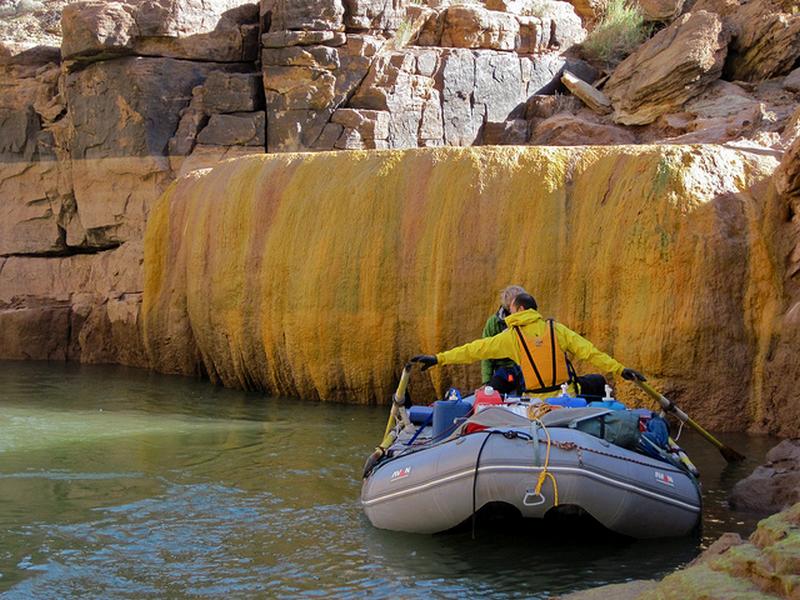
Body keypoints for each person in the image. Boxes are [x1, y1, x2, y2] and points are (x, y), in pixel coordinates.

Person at [411, 293, 645, 397]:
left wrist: (438, 358)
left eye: (511, 309)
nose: (507, 313)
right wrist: (620, 370)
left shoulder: (511, 337)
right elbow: (591, 353)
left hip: (537, 404)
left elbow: (473, 350)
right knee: (596, 381)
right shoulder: (556, 329)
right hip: (568, 397)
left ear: (521, 310)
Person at [481, 285, 527, 393]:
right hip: (502, 370)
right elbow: (486, 353)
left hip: (524, 368)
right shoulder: (493, 323)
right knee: (492, 393)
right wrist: (486, 382)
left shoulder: (529, 320)